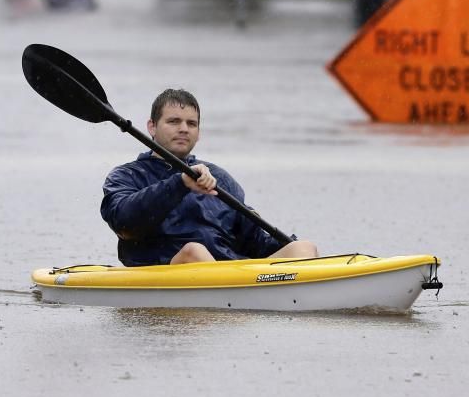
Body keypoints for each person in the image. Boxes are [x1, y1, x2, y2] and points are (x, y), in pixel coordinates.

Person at [100, 88, 318, 266]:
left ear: (198, 132)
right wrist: (180, 183)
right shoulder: (126, 176)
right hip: (171, 269)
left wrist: (285, 247)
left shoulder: (219, 178)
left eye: (191, 123)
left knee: (304, 248)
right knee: (194, 251)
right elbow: (124, 224)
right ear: (152, 127)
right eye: (174, 121)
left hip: (228, 271)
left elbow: (254, 241)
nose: (184, 129)